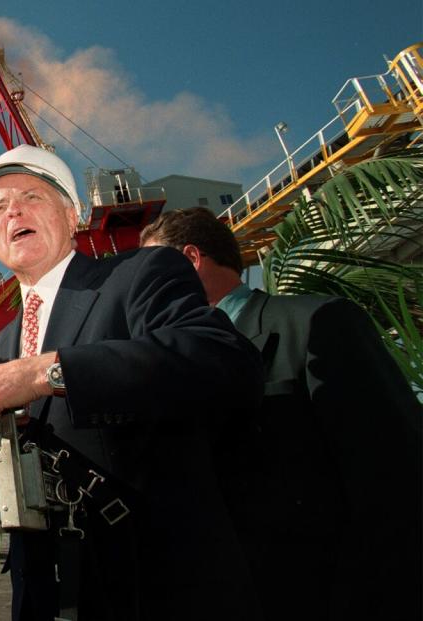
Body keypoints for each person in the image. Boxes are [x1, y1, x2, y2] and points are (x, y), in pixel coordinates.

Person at [0, 145, 265, 621]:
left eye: (32, 197)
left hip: (149, 584)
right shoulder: (1, 345)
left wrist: (47, 371)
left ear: (73, 213)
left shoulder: (142, 272)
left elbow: (222, 361)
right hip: (42, 591)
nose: (13, 210)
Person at [140, 207, 423, 621]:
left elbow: (395, 476)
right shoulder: (170, 366)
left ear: (189, 261)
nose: (143, 294)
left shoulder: (318, 322)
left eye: (150, 277)